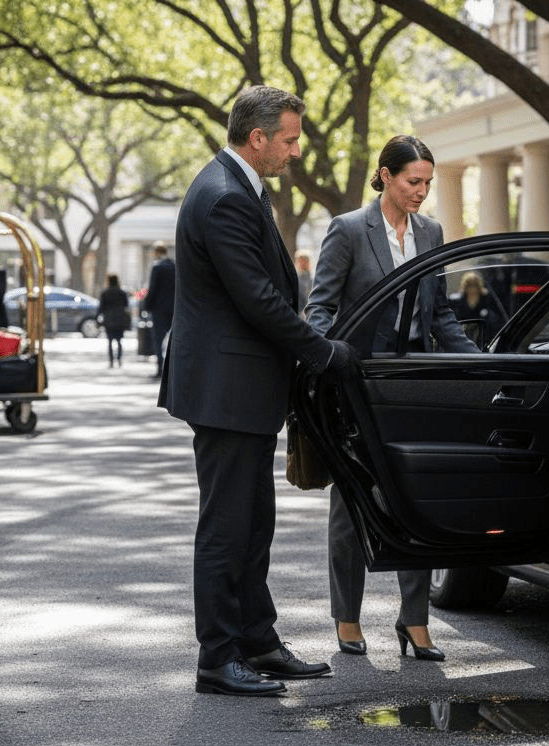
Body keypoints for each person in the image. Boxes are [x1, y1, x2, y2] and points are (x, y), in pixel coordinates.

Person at [158, 84, 355, 697]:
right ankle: (217, 657)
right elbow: (257, 298)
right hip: (226, 387)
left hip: (240, 387)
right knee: (226, 527)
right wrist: (321, 350)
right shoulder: (223, 196)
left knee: (254, 522)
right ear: (259, 136)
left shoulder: (238, 186)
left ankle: (258, 640)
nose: (297, 150)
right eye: (290, 139)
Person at [305, 134, 478, 662]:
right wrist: (328, 361)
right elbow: (320, 308)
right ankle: (348, 617)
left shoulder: (431, 231)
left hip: (414, 387)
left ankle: (416, 621)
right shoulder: (349, 230)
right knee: (352, 504)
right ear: (385, 175)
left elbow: (441, 314)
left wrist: (477, 364)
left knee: (416, 501)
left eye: (428, 182)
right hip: (357, 389)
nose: (422, 192)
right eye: (412, 181)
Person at [142, 241, 175, 378]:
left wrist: (147, 306)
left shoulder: (156, 267)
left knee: (159, 338)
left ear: (157, 252)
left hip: (158, 309)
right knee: (171, 339)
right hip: (174, 307)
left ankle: (160, 367)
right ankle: (170, 368)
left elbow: (153, 288)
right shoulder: (175, 266)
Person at [450, 270, 508, 345]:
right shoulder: (456, 301)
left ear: (479, 286)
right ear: (465, 286)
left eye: (475, 285)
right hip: (462, 338)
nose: (472, 288)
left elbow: (498, 319)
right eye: (469, 285)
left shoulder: (487, 299)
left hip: (484, 338)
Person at [98, 273, 130, 368]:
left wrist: (98, 319)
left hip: (109, 319)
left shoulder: (105, 293)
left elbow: (101, 308)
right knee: (119, 341)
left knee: (110, 341)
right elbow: (126, 306)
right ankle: (119, 359)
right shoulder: (122, 292)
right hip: (120, 319)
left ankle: (111, 361)